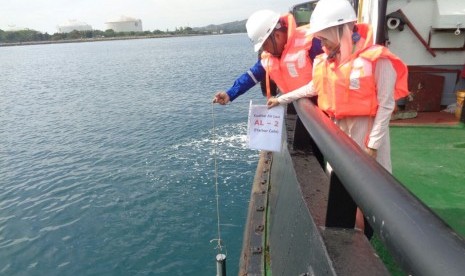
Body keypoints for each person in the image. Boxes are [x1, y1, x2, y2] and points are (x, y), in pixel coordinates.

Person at [267, 0, 409, 235]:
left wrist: (373, 143)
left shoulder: (377, 59)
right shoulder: (325, 62)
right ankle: (355, 233)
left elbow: (386, 105)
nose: (321, 44)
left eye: (324, 38)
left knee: (372, 186)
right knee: (341, 184)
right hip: (338, 132)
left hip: (367, 132)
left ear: (339, 30)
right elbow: (314, 86)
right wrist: (282, 98)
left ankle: (369, 234)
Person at [212, 9, 323, 105]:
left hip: (325, 116)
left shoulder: (313, 44)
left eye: (264, 45)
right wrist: (229, 94)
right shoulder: (271, 57)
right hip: (304, 110)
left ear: (277, 36)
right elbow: (252, 76)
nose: (264, 50)